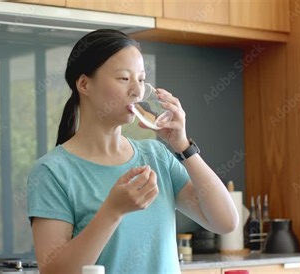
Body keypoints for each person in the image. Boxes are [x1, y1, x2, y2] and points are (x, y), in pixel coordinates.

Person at [27, 29, 238, 274]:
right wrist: (112, 212)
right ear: (84, 84)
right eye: (124, 79)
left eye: (141, 79)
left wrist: (183, 146)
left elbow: (225, 222)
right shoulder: (52, 172)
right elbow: (54, 271)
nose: (137, 91)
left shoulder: (156, 156)